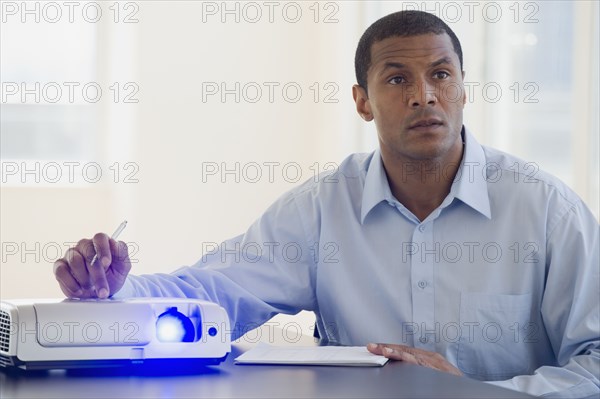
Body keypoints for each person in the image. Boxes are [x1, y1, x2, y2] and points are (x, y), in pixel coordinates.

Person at [53, 10, 599, 398]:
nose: (423, 95)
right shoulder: (321, 210)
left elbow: (595, 365)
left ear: (462, 88)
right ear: (362, 102)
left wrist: (479, 394)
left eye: (440, 74)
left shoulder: (546, 210)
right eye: (396, 78)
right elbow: (211, 291)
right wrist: (111, 289)